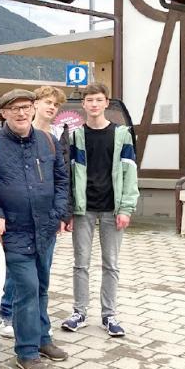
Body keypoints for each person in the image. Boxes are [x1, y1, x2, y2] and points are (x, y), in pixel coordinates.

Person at [0, 89, 69, 369]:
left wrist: (60, 212)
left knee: (43, 286)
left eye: (25, 107)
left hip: (45, 227)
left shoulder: (48, 141)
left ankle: (43, 338)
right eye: (14, 109)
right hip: (15, 230)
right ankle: (26, 352)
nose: (21, 113)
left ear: (33, 109)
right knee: (26, 288)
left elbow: (62, 179)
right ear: (4, 114)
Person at [61, 82, 139, 337]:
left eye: (98, 100)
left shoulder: (122, 135)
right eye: (89, 100)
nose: (94, 104)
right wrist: (69, 210)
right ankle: (79, 312)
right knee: (80, 264)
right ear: (83, 105)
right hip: (84, 209)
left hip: (112, 209)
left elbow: (130, 174)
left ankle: (109, 315)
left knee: (111, 264)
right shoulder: (75, 136)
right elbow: (70, 176)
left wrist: (126, 208)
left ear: (106, 103)